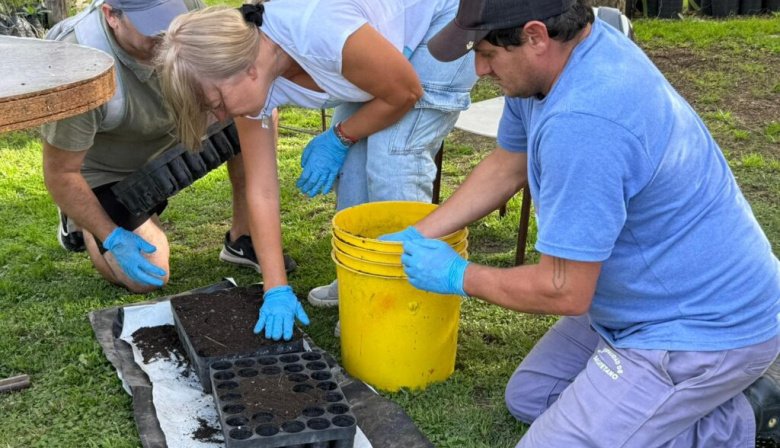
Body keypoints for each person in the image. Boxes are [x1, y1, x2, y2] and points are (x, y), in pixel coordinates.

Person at [380, 0, 780, 446]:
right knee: (533, 396)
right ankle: (670, 404)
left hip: (701, 326)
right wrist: (422, 231)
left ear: (535, 36)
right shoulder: (558, 63)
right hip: (638, 300)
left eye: (488, 53)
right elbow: (507, 164)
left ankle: (747, 415)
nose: (479, 68)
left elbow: (564, 289)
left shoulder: (585, 123)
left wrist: (459, 275)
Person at [155, 0, 478, 340]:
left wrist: (340, 136)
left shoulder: (319, 32)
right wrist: (275, 288)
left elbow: (404, 92)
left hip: (444, 18)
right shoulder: (247, 83)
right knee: (352, 167)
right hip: (380, 50)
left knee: (392, 157)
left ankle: (405, 301)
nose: (220, 116)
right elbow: (262, 190)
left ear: (245, 69)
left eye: (217, 103)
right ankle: (359, 279)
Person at [41, 0, 295, 294]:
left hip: (175, 138)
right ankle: (83, 219)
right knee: (149, 275)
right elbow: (61, 173)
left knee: (255, 112)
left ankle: (243, 237)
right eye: (151, 24)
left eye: (169, 17)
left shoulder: (189, 13)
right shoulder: (79, 67)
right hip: (110, 173)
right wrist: (110, 235)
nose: (166, 34)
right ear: (111, 15)